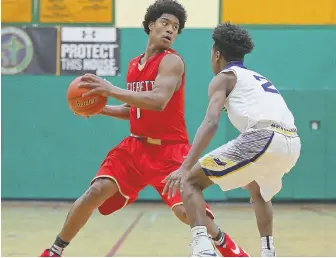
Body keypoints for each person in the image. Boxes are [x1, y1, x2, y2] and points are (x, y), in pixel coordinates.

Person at [41, 2, 248, 257]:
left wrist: (110, 89)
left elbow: (158, 101)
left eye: (175, 27)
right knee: (94, 192)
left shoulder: (172, 62)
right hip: (135, 148)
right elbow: (134, 110)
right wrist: (99, 109)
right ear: (150, 25)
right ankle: (54, 250)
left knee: (187, 213)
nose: (170, 30)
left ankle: (220, 239)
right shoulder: (133, 66)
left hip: (170, 151)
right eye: (165, 23)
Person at [163, 22, 301, 257]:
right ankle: (268, 252)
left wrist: (185, 166)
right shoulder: (257, 77)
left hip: (263, 137)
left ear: (217, 54)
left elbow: (211, 123)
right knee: (259, 191)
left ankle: (203, 248)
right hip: (292, 142)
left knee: (190, 181)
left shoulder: (224, 77)